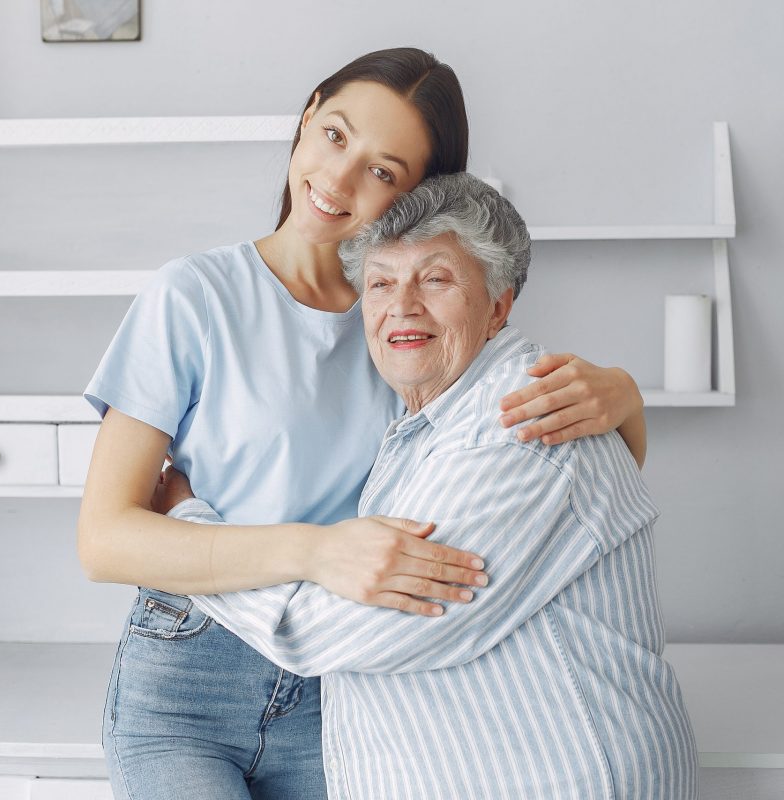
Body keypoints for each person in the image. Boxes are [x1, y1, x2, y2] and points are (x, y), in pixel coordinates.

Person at [79, 49, 648, 800]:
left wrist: (627, 399)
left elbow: (557, 473)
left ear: (421, 197)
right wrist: (316, 552)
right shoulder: (193, 297)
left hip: (347, 686)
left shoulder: (407, 320)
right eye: (337, 135)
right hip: (188, 677)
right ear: (308, 114)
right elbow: (106, 538)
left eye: (385, 171)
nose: (339, 180)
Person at [161, 172, 698, 800]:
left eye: (435, 279)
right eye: (382, 283)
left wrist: (186, 530)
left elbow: (328, 631)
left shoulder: (518, 422)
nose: (401, 305)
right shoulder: (422, 427)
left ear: (500, 303)